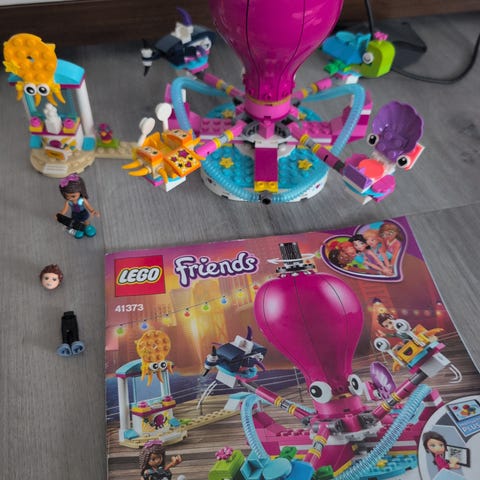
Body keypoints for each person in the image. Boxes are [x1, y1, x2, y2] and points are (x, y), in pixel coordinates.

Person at [57, 174, 99, 239]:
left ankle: (87, 227)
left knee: (86, 220)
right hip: (75, 214)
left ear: (80, 192)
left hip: (83, 213)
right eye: (67, 196)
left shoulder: (82, 199)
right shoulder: (68, 202)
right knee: (76, 222)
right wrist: (60, 215)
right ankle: (79, 229)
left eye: (73, 196)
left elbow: (88, 206)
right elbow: (65, 209)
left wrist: (93, 211)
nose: (70, 198)